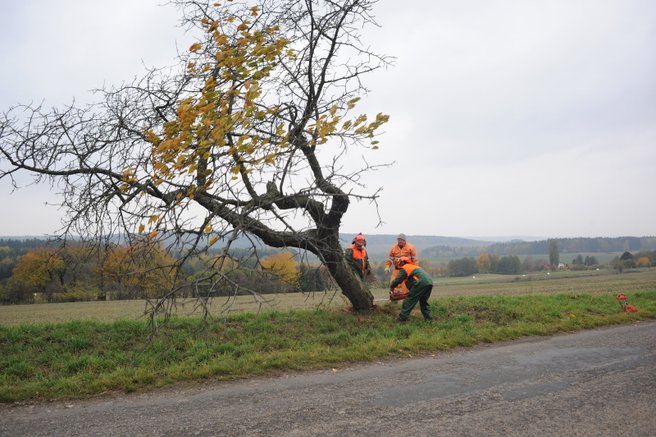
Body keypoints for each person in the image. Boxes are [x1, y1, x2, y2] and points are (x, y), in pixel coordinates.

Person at [389, 256, 433, 322]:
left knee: (409, 301)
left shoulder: (404, 268)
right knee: (424, 302)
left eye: (399, 262)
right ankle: (429, 320)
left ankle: (402, 319)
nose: (398, 265)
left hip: (421, 282)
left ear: (403, 262)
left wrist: (392, 287)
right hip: (429, 282)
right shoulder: (413, 267)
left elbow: (397, 280)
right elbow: (413, 283)